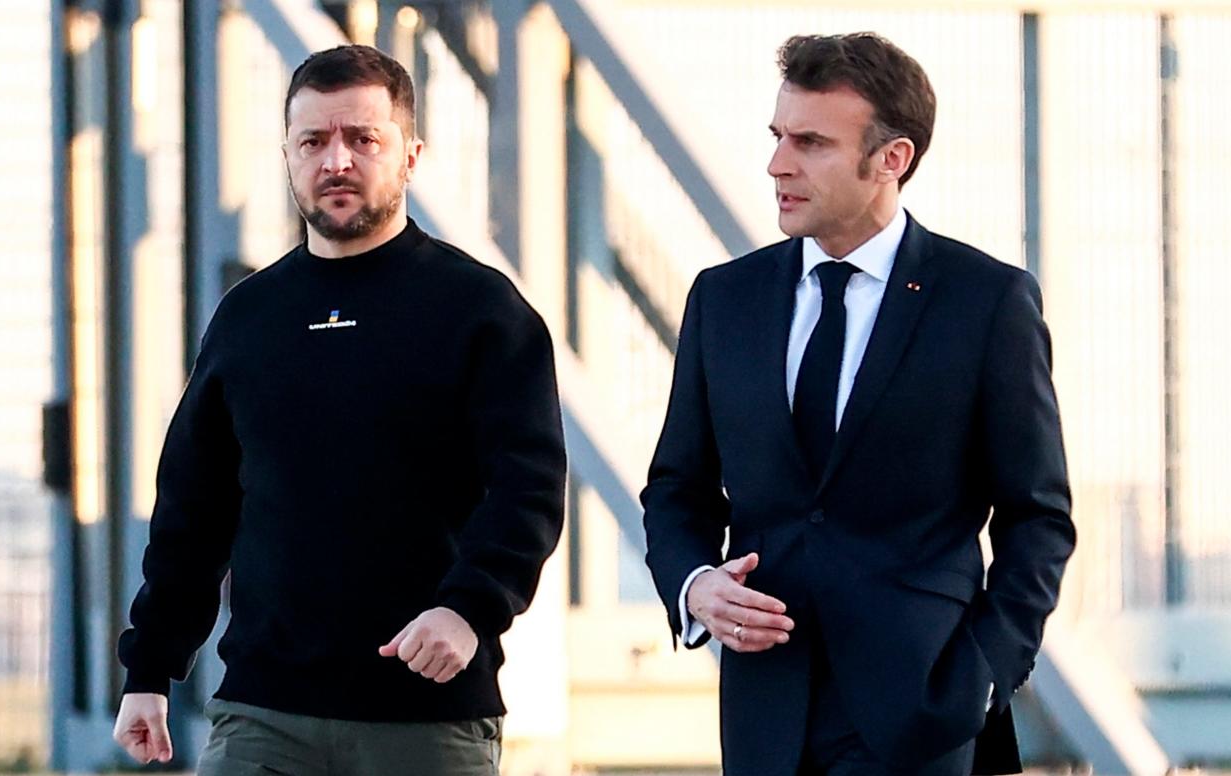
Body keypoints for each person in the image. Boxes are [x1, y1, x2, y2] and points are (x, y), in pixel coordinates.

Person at [111, 44, 566, 776]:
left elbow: (529, 493)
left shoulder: (480, 311)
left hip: (428, 714)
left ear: (411, 155)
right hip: (262, 714)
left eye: (363, 138)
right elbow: (193, 512)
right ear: (288, 156)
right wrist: (149, 671)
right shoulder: (248, 318)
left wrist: (469, 609)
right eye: (313, 141)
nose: (337, 161)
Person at [641, 32, 1074, 776]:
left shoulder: (984, 301)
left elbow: (1037, 517)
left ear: (890, 160)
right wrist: (694, 585)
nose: (777, 163)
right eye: (777, 136)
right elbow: (676, 490)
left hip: (923, 710)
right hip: (763, 713)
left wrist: (984, 676)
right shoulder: (724, 298)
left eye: (810, 142)